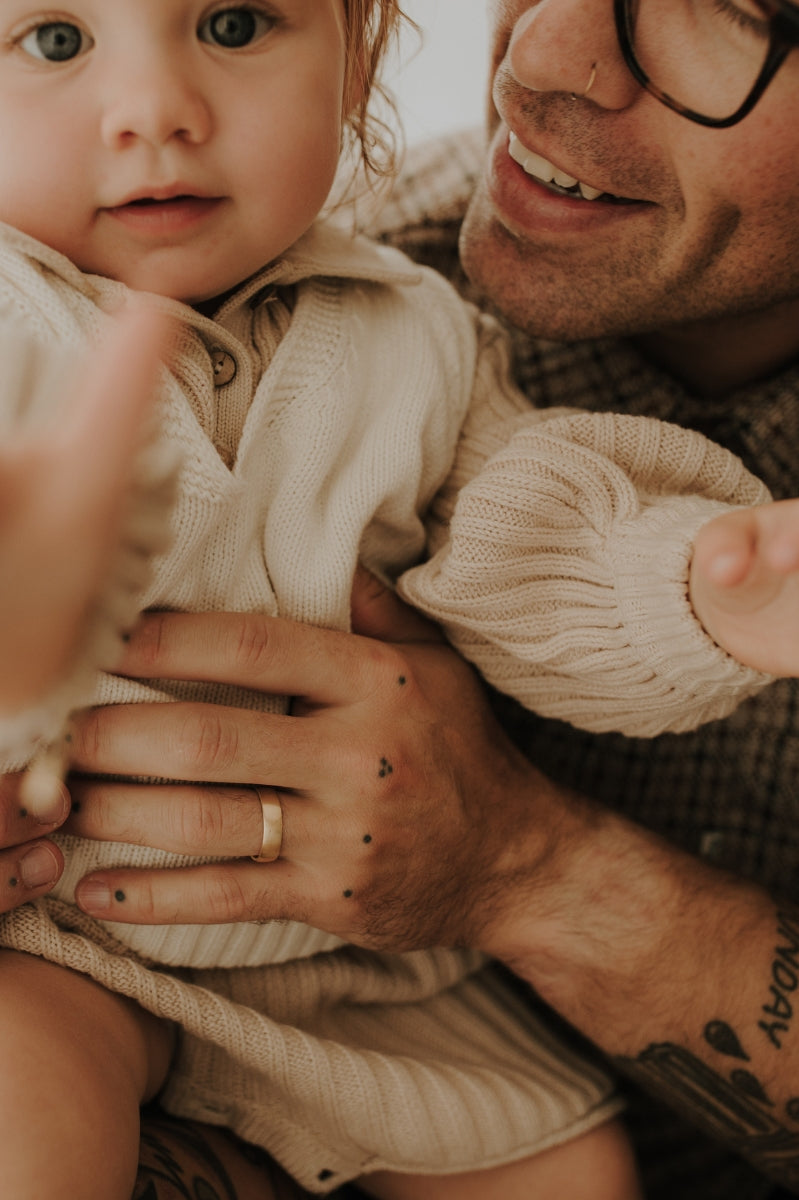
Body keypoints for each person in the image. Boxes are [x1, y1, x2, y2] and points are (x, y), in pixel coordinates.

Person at [1, 2, 798, 1200]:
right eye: (54, 42)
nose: (155, 111)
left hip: (373, 984)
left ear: (355, 62)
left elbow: (526, 533)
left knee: (575, 1174)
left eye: (233, 21)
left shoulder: (412, 325)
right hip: (67, 943)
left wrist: (699, 589)